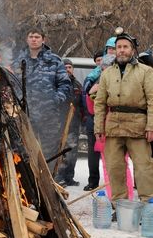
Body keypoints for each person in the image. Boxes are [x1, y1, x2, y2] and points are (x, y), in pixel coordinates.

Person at [94, 31, 153, 204]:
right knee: (115, 168)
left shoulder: (146, 71)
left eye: (125, 47)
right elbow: (99, 103)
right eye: (118, 47)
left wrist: (151, 126)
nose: (121, 50)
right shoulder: (106, 73)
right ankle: (119, 206)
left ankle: (148, 206)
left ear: (132, 50)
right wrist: (98, 127)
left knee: (144, 168)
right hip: (113, 127)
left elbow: (152, 100)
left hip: (138, 126)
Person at [13, 28, 71, 170]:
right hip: (26, 114)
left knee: (50, 152)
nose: (34, 39)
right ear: (27, 39)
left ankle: (49, 184)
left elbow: (65, 84)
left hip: (49, 115)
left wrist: (55, 100)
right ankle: (30, 185)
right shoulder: (19, 61)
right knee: (25, 150)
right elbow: (12, 83)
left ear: (43, 40)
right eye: (31, 36)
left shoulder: (54, 61)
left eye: (37, 37)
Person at [83, 44, 113, 191]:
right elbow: (88, 99)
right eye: (101, 63)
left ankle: (114, 182)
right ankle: (93, 181)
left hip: (111, 121)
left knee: (113, 154)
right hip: (94, 119)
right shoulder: (93, 79)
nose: (103, 66)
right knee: (93, 153)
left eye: (106, 64)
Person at [55, 59, 85, 187]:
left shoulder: (77, 84)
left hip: (74, 122)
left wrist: (83, 119)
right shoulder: (57, 83)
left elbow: (82, 103)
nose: (67, 69)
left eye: (69, 67)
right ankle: (59, 177)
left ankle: (69, 177)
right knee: (62, 151)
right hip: (60, 123)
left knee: (73, 152)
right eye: (65, 67)